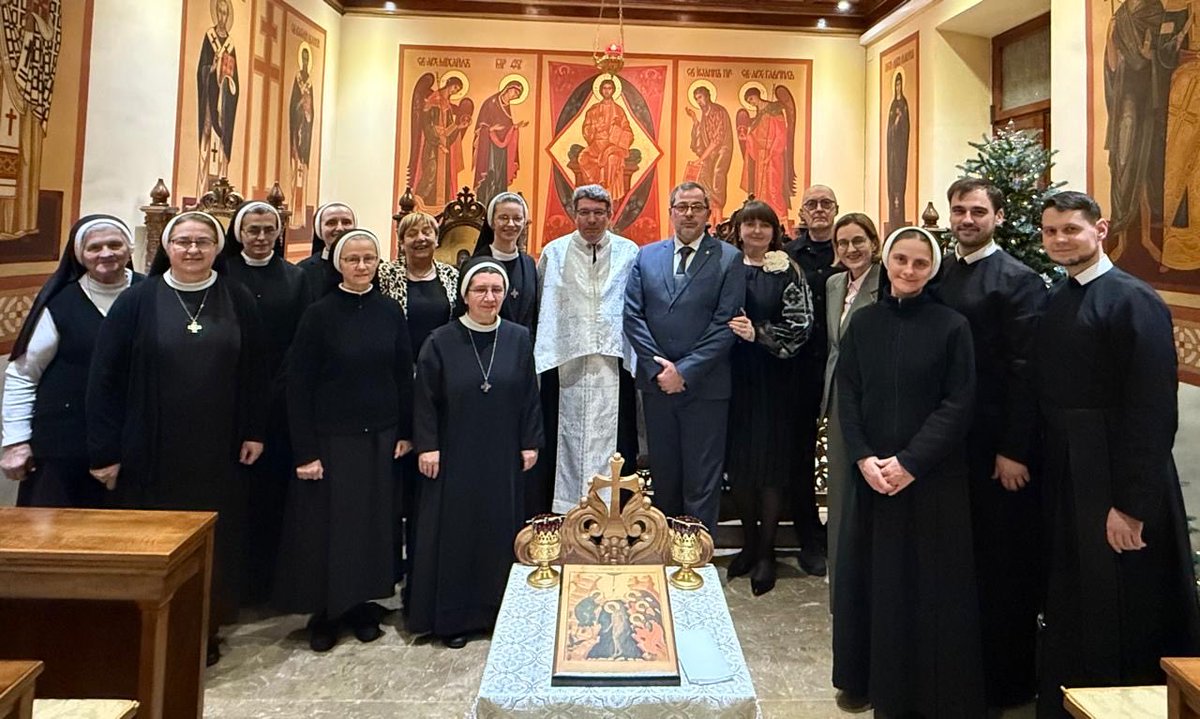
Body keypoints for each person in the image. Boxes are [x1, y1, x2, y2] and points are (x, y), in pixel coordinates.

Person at [1034, 191, 1200, 717]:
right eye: (1051, 231)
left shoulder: (1134, 300)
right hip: (1072, 472)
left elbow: (1153, 411)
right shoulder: (1060, 297)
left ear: (1100, 230)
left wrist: (1131, 505)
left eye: (1071, 230)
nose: (1060, 239)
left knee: (1126, 608)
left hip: (1120, 479)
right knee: (1078, 605)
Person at [87, 211, 268, 667]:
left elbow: (256, 372)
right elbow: (104, 379)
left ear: (217, 248)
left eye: (203, 242)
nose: (193, 250)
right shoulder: (137, 301)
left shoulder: (238, 297)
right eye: (184, 241)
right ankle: (146, 629)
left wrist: (254, 430)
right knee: (153, 542)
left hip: (218, 449)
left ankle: (203, 631)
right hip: (151, 448)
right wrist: (104, 452)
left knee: (212, 541)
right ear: (167, 247)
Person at [832, 226, 983, 716]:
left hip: (930, 479)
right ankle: (868, 679)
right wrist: (862, 457)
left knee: (926, 586)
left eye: (920, 263)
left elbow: (958, 404)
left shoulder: (952, 326)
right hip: (872, 475)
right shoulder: (865, 323)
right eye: (901, 260)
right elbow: (848, 395)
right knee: (873, 583)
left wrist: (911, 462)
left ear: (933, 267)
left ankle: (925, 686)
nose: (909, 270)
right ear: (888, 261)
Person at [936, 178, 1047, 709]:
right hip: (954, 445)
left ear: (997, 217)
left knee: (1004, 569)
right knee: (964, 564)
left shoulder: (1018, 280)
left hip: (999, 448)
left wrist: (1015, 449)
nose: (966, 219)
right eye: (959, 210)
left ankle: (1009, 683)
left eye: (977, 211)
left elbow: (1028, 373)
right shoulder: (945, 271)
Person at [275, 228, 414, 652]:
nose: (360, 266)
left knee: (371, 525)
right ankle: (326, 612)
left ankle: (361, 604)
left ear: (378, 263)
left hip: (381, 435)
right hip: (331, 439)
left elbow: (402, 375)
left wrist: (406, 431)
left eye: (368, 258)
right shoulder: (319, 314)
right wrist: (306, 452)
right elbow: (298, 385)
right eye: (352, 259)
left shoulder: (391, 312)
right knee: (328, 528)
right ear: (338, 263)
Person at [408, 257, 543, 649]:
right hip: (454, 452)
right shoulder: (440, 340)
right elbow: (424, 399)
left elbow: (528, 395)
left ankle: (498, 612)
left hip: (502, 452)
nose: (489, 297)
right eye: (480, 290)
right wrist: (428, 446)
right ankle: (454, 618)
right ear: (465, 295)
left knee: (498, 529)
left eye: (496, 290)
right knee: (458, 531)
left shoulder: (518, 337)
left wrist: (529, 441)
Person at [623, 181, 745, 533]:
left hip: (706, 387)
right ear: (670, 211)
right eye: (682, 207)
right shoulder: (646, 256)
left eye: (696, 207)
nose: (689, 213)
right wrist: (659, 369)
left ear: (709, 213)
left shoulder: (727, 258)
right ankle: (666, 552)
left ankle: (695, 566)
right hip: (657, 386)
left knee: (701, 480)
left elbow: (727, 323)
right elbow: (633, 316)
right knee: (665, 477)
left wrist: (685, 370)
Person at [2, 215, 141, 507]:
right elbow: (24, 374)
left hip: (133, 443)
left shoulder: (150, 293)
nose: (106, 254)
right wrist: (15, 441)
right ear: (79, 255)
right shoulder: (60, 302)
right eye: (95, 247)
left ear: (129, 248)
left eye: (115, 244)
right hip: (64, 445)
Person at [218, 200, 309, 606]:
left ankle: (269, 580)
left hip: (279, 397)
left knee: (274, 488)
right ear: (238, 233)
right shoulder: (220, 274)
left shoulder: (294, 277)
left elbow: (301, 336)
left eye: (268, 230)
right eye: (252, 230)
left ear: (279, 232)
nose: (259, 238)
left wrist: (278, 383)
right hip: (229, 398)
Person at [724, 200, 813, 596]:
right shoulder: (725, 266)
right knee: (740, 467)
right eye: (749, 225)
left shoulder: (788, 269)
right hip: (732, 380)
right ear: (739, 230)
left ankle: (766, 552)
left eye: (764, 225)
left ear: (775, 231)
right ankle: (746, 542)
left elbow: (801, 325)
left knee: (772, 468)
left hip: (775, 381)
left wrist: (757, 333)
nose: (756, 231)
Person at [534, 184, 639, 514]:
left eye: (598, 212)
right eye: (584, 212)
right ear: (573, 214)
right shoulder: (554, 252)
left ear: (610, 214)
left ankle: (614, 518)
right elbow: (543, 304)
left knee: (617, 444)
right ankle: (563, 515)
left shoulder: (629, 252)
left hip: (614, 362)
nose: (591, 219)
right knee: (560, 439)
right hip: (565, 362)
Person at [377, 210, 459, 597]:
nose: (421, 239)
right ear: (402, 240)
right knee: (399, 473)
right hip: (397, 382)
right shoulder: (385, 276)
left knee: (433, 466)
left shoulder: (450, 277)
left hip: (440, 383)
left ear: (437, 236)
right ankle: (394, 560)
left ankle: (427, 555)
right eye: (413, 234)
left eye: (427, 231)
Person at [783, 183, 845, 576]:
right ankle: (809, 537)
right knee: (800, 455)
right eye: (812, 204)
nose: (819, 209)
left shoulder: (851, 250)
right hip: (801, 367)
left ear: (836, 209)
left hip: (844, 366)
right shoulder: (787, 257)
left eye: (826, 204)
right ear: (802, 213)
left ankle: (841, 532)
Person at [821, 212, 882, 601]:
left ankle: (870, 578)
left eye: (858, 241)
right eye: (842, 243)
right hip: (838, 395)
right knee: (840, 493)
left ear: (874, 244)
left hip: (874, 398)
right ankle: (839, 578)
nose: (850, 249)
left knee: (869, 491)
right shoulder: (833, 283)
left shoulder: (887, 282)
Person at [472, 191, 538, 333]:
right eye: (503, 218)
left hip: (524, 348)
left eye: (517, 218)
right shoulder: (475, 265)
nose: (511, 224)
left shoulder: (529, 264)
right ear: (492, 221)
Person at [472, 79, 528, 206]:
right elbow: (481, 127)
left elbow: (505, 128)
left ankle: (496, 205)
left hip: (502, 150)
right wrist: (491, 130)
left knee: (499, 177)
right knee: (490, 175)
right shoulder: (490, 103)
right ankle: (484, 205)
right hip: (489, 149)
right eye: (515, 92)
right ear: (508, 88)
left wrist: (515, 127)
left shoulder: (507, 107)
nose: (515, 96)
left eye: (517, 96)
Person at [578, 78, 635, 199]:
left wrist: (616, 131)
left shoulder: (619, 111)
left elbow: (628, 132)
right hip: (596, 145)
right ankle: (594, 189)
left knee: (611, 159)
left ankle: (607, 194)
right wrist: (595, 128)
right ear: (600, 90)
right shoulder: (593, 110)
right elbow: (586, 130)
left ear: (614, 90)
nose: (607, 91)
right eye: (605, 88)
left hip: (613, 146)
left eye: (609, 88)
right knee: (583, 157)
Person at [297, 202, 356, 299]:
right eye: (331, 223)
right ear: (319, 229)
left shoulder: (374, 266)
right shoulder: (303, 271)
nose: (340, 228)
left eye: (346, 222)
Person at [886, 72, 911, 231]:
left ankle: (899, 216)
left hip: (901, 150)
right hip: (892, 152)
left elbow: (906, 128)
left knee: (900, 183)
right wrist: (894, 123)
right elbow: (890, 130)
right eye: (896, 84)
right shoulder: (893, 106)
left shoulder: (904, 105)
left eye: (900, 84)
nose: (898, 87)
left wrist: (900, 121)